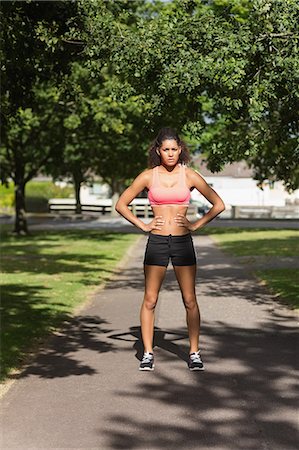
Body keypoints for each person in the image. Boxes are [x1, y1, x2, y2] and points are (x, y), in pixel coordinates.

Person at [115, 127, 225, 371]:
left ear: (180, 150)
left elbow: (218, 204)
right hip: (156, 242)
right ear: (158, 151)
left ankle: (194, 352)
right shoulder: (147, 176)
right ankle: (147, 353)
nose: (171, 154)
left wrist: (196, 224)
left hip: (182, 242)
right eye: (166, 149)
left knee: (189, 300)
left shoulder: (190, 176)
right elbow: (121, 204)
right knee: (150, 300)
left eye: (175, 149)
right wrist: (143, 225)